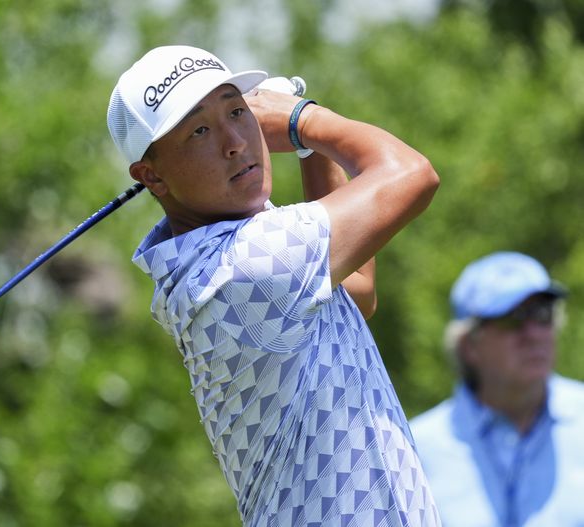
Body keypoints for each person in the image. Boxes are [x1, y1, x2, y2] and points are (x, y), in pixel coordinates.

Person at [107, 45, 441, 526]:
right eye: (200, 130)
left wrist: (307, 146)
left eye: (238, 111)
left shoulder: (233, 253)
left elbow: (359, 290)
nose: (235, 142)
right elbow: (413, 175)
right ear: (152, 176)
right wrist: (304, 119)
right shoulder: (242, 269)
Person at [409, 251, 584, 526]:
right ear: (469, 346)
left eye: (543, 314)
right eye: (512, 319)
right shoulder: (414, 451)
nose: (533, 334)